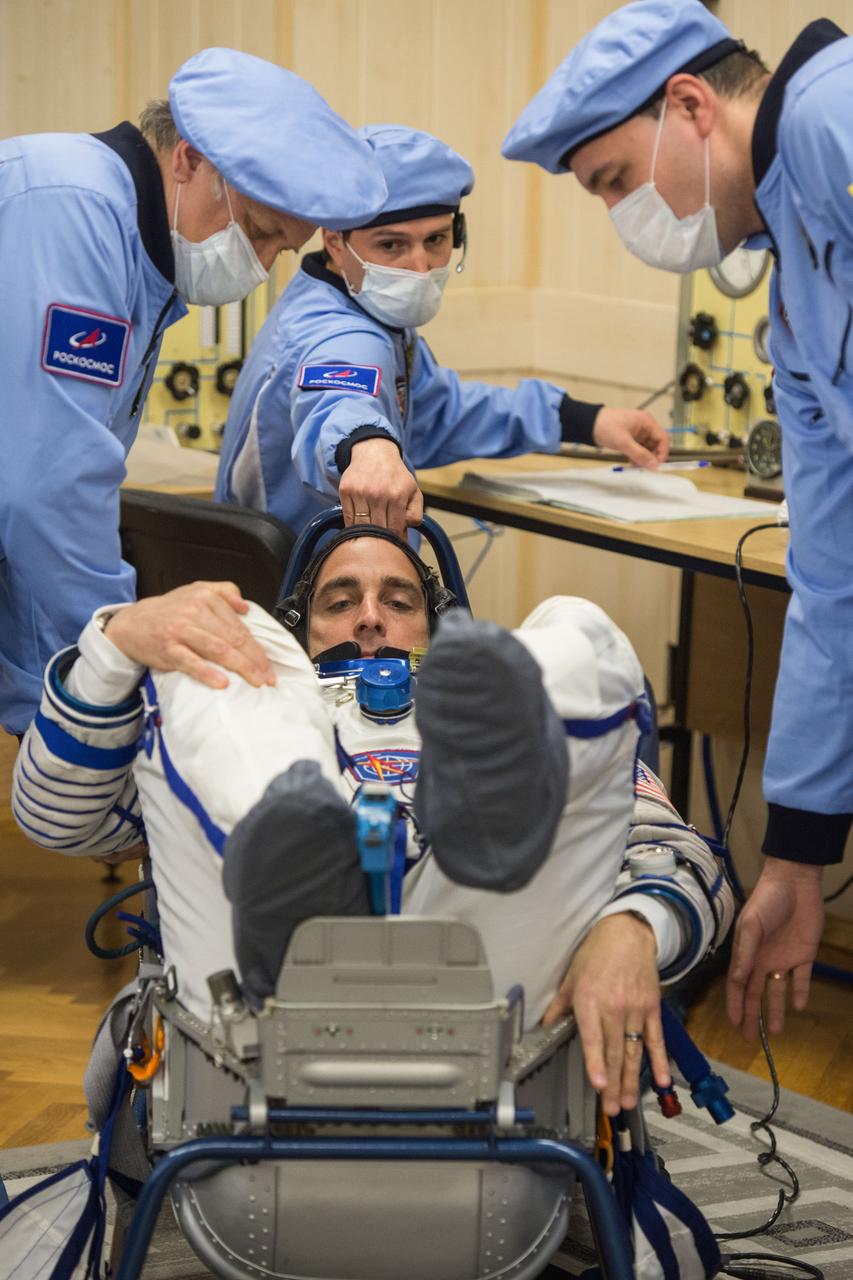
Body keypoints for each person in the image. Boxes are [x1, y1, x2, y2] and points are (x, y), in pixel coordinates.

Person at [13, 525, 732, 1117]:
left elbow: (680, 857)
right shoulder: (243, 708)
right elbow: (55, 818)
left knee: (576, 626)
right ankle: (291, 848)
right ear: (306, 633)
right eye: (339, 601)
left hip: (492, 1021)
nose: (368, 617)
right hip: (247, 1034)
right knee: (213, 631)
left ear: (438, 631)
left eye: (398, 599)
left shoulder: (497, 719)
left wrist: (633, 927)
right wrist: (114, 646)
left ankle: (429, 840)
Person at [501, 0, 853, 1042]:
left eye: (615, 180)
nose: (622, 213)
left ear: (690, 105)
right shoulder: (790, 295)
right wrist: (795, 846)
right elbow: (831, 574)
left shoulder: (835, 114)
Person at [0, 47, 388, 737]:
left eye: (281, 248)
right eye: (262, 233)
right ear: (188, 161)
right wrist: (106, 675)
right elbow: (51, 487)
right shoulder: (74, 211)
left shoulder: (135, 242)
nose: (261, 264)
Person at [215, 123, 669, 538]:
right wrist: (366, 446)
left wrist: (585, 420)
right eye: (391, 244)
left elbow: (441, 413)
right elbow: (338, 398)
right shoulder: (338, 334)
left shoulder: (363, 311)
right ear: (335, 242)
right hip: (309, 606)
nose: (419, 266)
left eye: (435, 240)